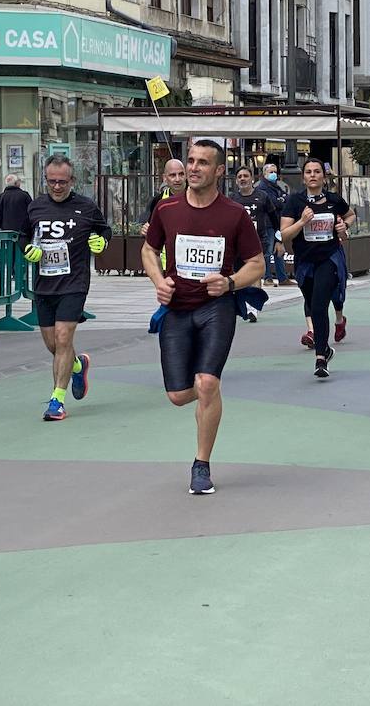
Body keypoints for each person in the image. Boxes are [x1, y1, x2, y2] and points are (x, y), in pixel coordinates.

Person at [143, 139, 264, 494]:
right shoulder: (167, 210)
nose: (194, 168)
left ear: (219, 171)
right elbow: (149, 250)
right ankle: (204, 393)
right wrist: (158, 280)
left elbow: (256, 265)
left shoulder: (234, 215)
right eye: (191, 161)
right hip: (177, 308)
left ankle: (201, 465)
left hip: (216, 307)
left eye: (203, 163)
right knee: (179, 395)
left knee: (208, 383)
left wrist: (229, 283)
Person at [20, 155, 111, 421]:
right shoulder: (35, 207)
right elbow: (24, 235)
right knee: (53, 344)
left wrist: (101, 243)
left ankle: (56, 401)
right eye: (51, 182)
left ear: (72, 180)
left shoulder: (86, 206)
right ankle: (77, 365)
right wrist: (27, 249)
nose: (57, 187)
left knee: (63, 338)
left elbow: (105, 231)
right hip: (44, 284)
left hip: (74, 282)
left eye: (62, 182)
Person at [281, 158, 355, 378]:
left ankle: (320, 357)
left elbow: (350, 214)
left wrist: (345, 225)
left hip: (329, 258)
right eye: (308, 172)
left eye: (317, 171)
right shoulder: (294, 202)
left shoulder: (333, 200)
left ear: (324, 176)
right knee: (313, 306)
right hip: (305, 261)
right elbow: (284, 234)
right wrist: (302, 222)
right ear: (303, 177)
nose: (312, 175)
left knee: (320, 305)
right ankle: (326, 349)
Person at [229, 166, 274, 320]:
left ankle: (253, 308)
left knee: (255, 273)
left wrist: (279, 238)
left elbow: (274, 217)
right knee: (239, 273)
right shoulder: (232, 199)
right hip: (237, 244)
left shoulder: (262, 196)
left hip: (258, 240)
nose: (243, 179)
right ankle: (241, 302)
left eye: (246, 176)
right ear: (236, 181)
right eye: (240, 176)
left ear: (252, 179)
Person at [255, 163, 291, 286]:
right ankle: (267, 277)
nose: (274, 174)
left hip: (277, 223)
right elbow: (275, 203)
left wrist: (282, 200)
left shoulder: (276, 187)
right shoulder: (263, 187)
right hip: (268, 223)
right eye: (271, 172)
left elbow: (287, 199)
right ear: (264, 174)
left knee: (278, 249)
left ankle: (282, 278)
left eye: (275, 171)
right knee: (268, 251)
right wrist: (282, 200)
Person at [140, 158, 187, 236]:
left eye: (181, 174)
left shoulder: (197, 197)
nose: (177, 179)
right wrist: (145, 230)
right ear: (164, 178)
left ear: (186, 176)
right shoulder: (157, 201)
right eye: (173, 175)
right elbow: (150, 228)